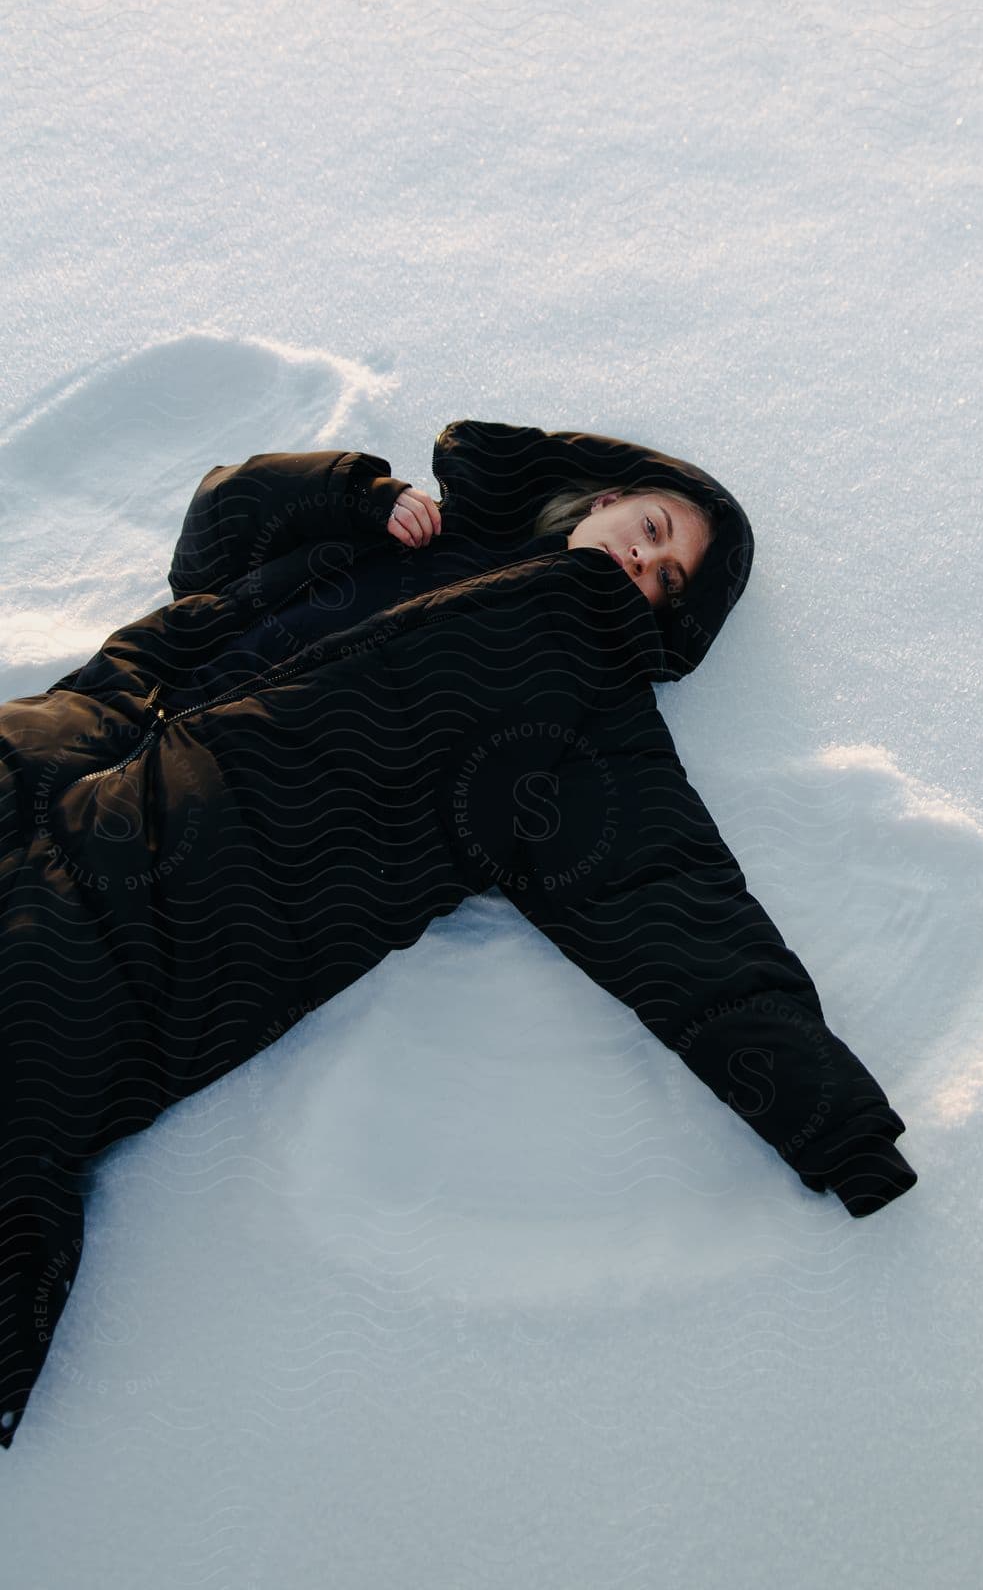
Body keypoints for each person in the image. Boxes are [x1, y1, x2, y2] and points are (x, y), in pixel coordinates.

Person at [0, 417, 916, 1450]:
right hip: (65, 742)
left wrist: (836, 1128)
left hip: (178, 898)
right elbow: (215, 536)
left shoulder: (579, 715)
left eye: (666, 580)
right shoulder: (407, 535)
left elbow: (671, 911)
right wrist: (345, 493)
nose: (645, 562)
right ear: (604, 495)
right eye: (652, 528)